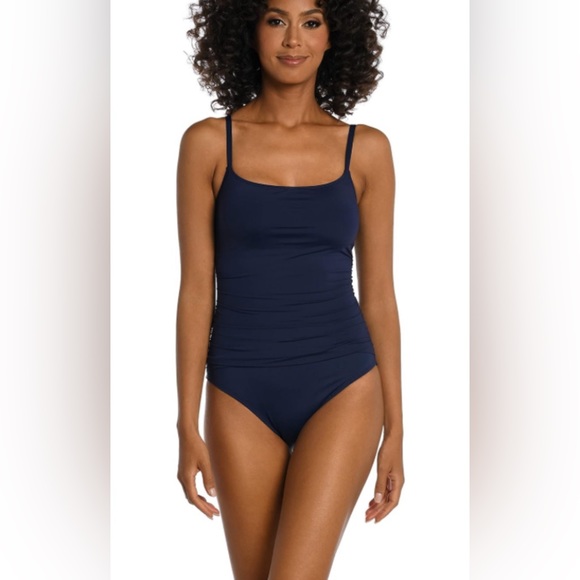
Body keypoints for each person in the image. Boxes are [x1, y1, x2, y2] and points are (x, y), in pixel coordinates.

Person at [175, 0, 403, 577]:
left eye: (311, 21)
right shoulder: (208, 143)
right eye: (276, 20)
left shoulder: (367, 150)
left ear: (334, 36)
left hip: (343, 383)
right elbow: (196, 290)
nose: (293, 39)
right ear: (248, 31)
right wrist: (185, 422)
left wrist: (396, 429)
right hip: (239, 389)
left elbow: (379, 294)